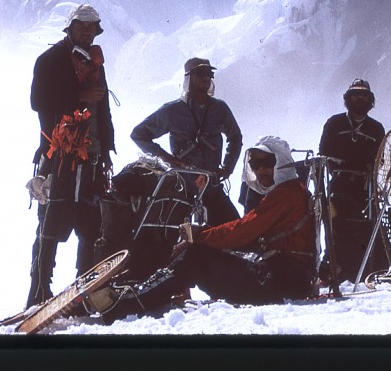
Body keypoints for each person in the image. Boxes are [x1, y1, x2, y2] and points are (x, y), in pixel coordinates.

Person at [90, 136, 318, 321]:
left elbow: (244, 230)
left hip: (278, 282)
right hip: (286, 279)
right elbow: (248, 231)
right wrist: (207, 236)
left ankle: (128, 304)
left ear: (281, 163)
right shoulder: (292, 192)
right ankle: (145, 295)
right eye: (254, 164)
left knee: (195, 256)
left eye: (267, 163)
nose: (260, 170)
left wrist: (200, 237)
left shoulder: (286, 194)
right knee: (203, 252)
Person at [24, 4, 116, 308]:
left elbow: (102, 108)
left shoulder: (95, 62)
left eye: (92, 28)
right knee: (50, 222)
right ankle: (38, 292)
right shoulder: (49, 60)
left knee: (91, 225)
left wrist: (107, 147)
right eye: (82, 27)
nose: (87, 32)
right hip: (58, 155)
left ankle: (84, 291)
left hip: (91, 156)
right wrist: (79, 97)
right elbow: (38, 102)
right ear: (70, 27)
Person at [131, 57, 243, 227]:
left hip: (210, 187)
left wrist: (228, 169)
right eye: (201, 73)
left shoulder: (219, 109)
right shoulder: (172, 111)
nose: (206, 78)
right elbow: (139, 134)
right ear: (189, 78)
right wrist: (166, 158)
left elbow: (235, 138)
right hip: (181, 189)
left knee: (235, 229)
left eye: (209, 74)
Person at [318, 78, 386, 281]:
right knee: (335, 224)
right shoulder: (334, 123)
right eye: (355, 95)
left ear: (370, 99)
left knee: (363, 226)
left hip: (364, 188)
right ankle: (333, 265)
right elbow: (323, 154)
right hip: (338, 185)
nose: (359, 99)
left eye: (363, 95)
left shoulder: (376, 129)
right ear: (348, 99)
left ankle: (359, 268)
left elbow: (379, 160)